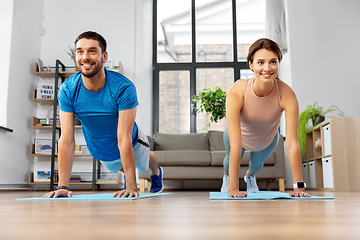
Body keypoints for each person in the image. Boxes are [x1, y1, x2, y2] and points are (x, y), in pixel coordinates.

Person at [43, 31, 163, 198]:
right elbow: (66, 139)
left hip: (132, 142)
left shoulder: (123, 88)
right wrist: (62, 185)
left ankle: (157, 172)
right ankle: (131, 170)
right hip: (101, 149)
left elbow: (124, 138)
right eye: (80, 51)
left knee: (144, 165)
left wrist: (131, 186)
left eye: (92, 51)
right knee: (118, 167)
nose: (85, 57)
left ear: (104, 56)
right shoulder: (68, 90)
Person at [221, 38, 310, 198]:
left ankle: (249, 176)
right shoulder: (238, 90)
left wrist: (299, 188)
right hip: (237, 136)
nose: (267, 68)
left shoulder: (287, 94)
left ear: (279, 63)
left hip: (267, 139)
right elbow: (236, 145)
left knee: (256, 165)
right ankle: (228, 179)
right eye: (260, 62)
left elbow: (291, 144)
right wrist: (233, 189)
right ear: (251, 64)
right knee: (230, 160)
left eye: (273, 62)